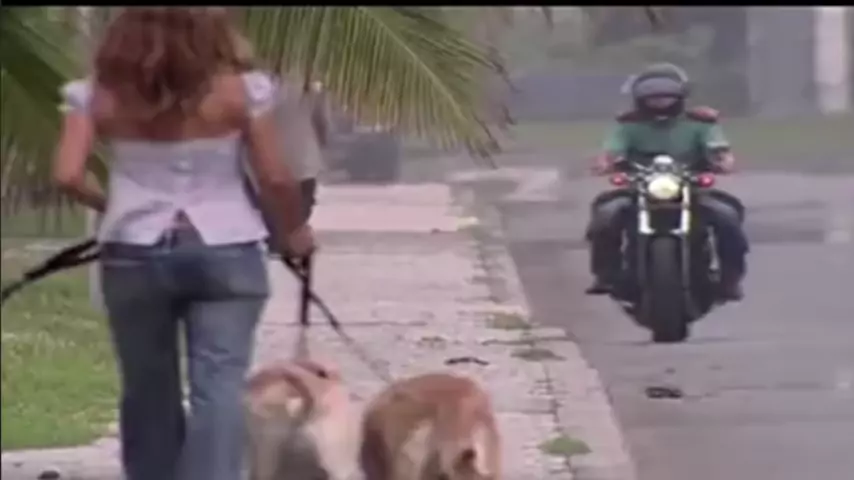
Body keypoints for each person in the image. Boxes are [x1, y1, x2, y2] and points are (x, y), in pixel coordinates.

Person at [51, 8, 314, 480]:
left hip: (133, 250)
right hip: (226, 245)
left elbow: (67, 174)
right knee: (220, 387)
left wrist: (110, 203)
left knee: (147, 386)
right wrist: (294, 231)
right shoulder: (241, 92)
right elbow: (275, 177)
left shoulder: (96, 95)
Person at [585, 63, 749, 301]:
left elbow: (719, 149)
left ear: (680, 97)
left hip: (690, 185)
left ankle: (730, 279)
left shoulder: (701, 122)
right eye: (653, 98)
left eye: (666, 97)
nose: (660, 103)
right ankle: (606, 275)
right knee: (605, 215)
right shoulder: (628, 124)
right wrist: (605, 163)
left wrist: (723, 161)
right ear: (640, 98)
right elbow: (611, 150)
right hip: (639, 186)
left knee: (727, 217)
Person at [222, 29, 331, 253]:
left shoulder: (248, 83)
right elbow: (322, 123)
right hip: (302, 163)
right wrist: (320, 148)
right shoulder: (308, 81)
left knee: (265, 229)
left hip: (258, 166)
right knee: (292, 229)